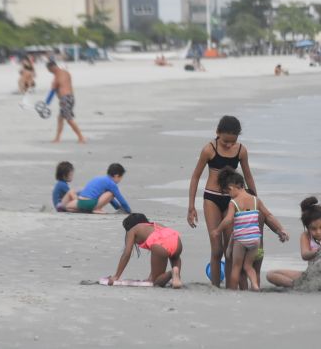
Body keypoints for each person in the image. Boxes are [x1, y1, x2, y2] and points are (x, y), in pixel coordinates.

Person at [187, 116, 257, 287]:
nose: (228, 145)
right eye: (225, 141)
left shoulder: (241, 151)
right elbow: (195, 176)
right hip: (212, 198)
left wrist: (254, 200)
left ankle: (231, 287)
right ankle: (216, 286)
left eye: (232, 142)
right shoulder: (209, 150)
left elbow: (248, 175)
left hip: (233, 200)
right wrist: (191, 206)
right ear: (217, 133)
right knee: (217, 249)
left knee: (230, 250)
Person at [212, 167, 288, 290]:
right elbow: (269, 216)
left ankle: (235, 290)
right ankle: (255, 286)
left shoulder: (234, 202)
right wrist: (281, 230)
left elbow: (228, 219)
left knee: (237, 268)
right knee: (251, 268)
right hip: (257, 245)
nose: (229, 195)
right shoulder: (256, 201)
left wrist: (217, 230)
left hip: (242, 241)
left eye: (228, 192)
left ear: (232, 188)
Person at [108, 213, 183, 288]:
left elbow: (126, 254)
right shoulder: (155, 225)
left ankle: (172, 272)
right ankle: (177, 275)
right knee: (174, 257)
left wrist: (116, 276)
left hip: (159, 245)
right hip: (176, 240)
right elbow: (163, 239)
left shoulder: (132, 230)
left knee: (156, 281)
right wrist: (151, 276)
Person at [65, 163, 132, 214]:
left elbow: (110, 200)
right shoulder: (112, 183)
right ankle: (97, 209)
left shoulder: (98, 178)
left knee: (68, 207)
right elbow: (120, 199)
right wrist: (128, 210)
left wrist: (117, 207)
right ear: (116, 176)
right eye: (121, 178)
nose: (120, 180)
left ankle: (85, 210)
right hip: (90, 203)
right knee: (111, 193)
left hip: (80, 201)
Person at [46, 61, 86, 144]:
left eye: (49, 70)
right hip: (70, 98)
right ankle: (57, 139)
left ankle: (81, 137)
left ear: (51, 68)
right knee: (60, 118)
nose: (49, 72)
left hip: (65, 99)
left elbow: (52, 92)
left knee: (69, 119)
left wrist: (46, 103)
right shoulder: (66, 73)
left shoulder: (56, 78)